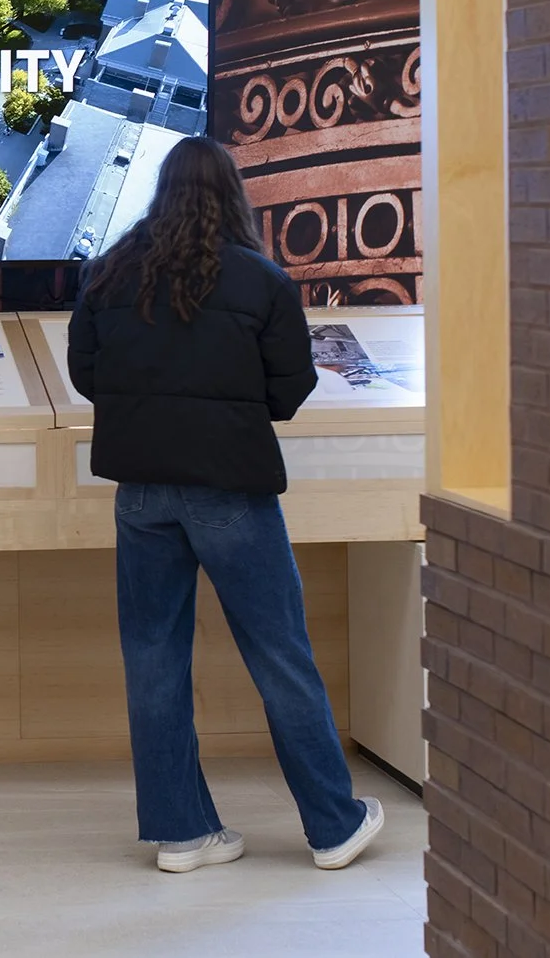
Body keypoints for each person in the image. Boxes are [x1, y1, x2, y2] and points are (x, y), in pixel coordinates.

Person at [67, 136, 383, 875]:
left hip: (140, 490)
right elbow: (290, 390)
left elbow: (89, 374)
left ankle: (183, 836)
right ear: (231, 195)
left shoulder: (109, 273)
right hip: (231, 492)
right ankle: (333, 826)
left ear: (160, 191)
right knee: (279, 656)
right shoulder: (262, 281)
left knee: (152, 661)